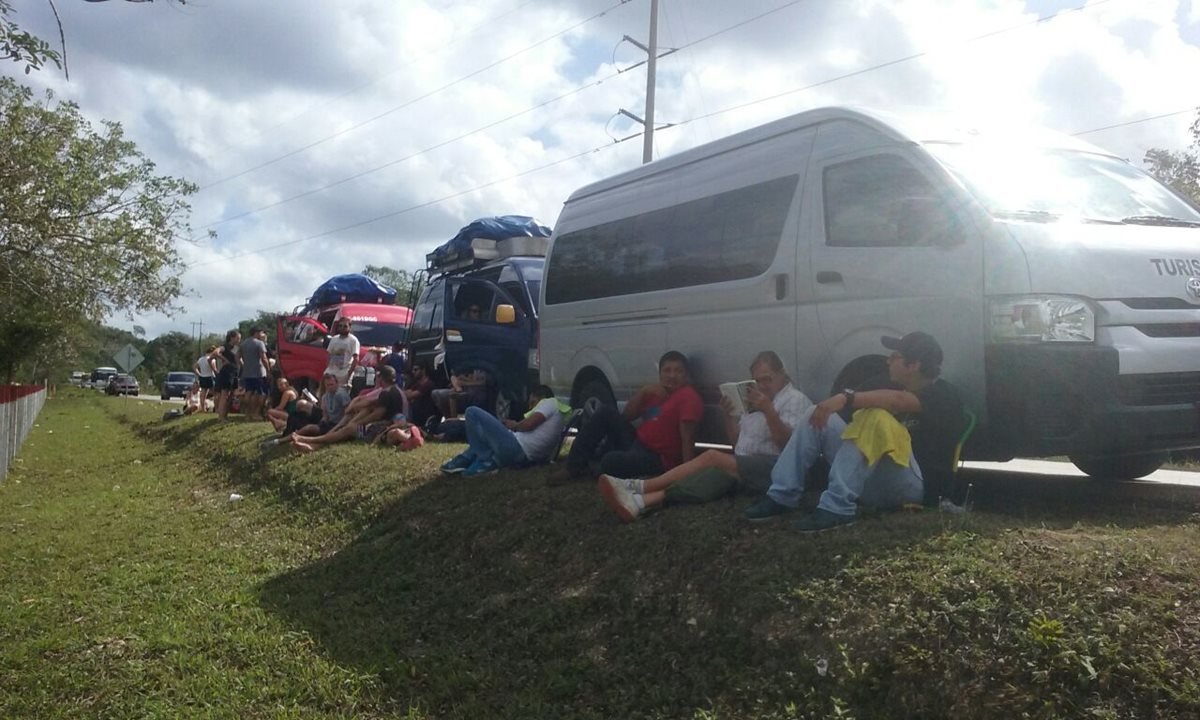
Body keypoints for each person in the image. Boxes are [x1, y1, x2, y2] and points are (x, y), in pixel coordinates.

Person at [743, 332, 965, 532]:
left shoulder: (944, 395)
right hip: (872, 481)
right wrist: (830, 405)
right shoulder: (887, 384)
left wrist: (845, 398)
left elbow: (897, 401)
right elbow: (849, 408)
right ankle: (782, 495)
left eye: (894, 356)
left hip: (915, 487)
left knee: (876, 417)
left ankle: (837, 508)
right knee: (818, 414)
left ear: (914, 365)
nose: (887, 360)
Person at [598, 351, 811, 522]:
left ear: (783, 375)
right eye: (757, 381)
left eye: (767, 379)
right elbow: (737, 444)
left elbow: (787, 446)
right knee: (706, 478)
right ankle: (640, 502)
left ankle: (638, 486)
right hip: (747, 466)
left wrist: (769, 411)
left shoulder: (794, 400)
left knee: (712, 457)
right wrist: (728, 416)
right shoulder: (758, 402)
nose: (763, 386)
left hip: (778, 467)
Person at [554, 350, 703, 483]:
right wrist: (644, 392)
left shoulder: (687, 397)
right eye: (667, 370)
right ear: (660, 374)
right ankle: (572, 468)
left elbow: (688, 439)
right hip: (637, 442)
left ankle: (599, 467)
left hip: (658, 457)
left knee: (609, 460)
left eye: (678, 371)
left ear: (686, 375)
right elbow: (626, 416)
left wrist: (687, 475)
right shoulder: (657, 393)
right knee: (606, 412)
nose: (672, 376)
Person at [440, 385, 565, 477]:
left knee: (472, 412)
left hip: (517, 448)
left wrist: (514, 425)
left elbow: (528, 425)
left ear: (542, 397)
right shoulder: (557, 416)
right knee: (485, 436)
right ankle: (465, 459)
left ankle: (483, 461)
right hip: (523, 454)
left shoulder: (550, 402)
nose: (531, 407)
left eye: (533, 402)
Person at [290, 365, 405, 452]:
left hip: (380, 429)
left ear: (380, 378)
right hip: (384, 425)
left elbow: (378, 414)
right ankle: (314, 445)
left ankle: (310, 440)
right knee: (346, 430)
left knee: (348, 430)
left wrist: (358, 423)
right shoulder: (395, 390)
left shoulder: (386, 393)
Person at [238, 326, 271, 421]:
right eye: (261, 332)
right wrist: (268, 370)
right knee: (262, 393)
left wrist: (243, 364)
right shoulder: (259, 343)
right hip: (259, 372)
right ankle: (256, 413)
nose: (262, 334)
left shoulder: (243, 344)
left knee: (249, 392)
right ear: (256, 333)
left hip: (247, 372)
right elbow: (263, 358)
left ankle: (248, 414)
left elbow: (237, 356)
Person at [325, 317, 360, 388]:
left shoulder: (353, 340)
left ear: (350, 327)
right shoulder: (334, 339)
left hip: (343, 374)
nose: (342, 328)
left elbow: (356, 359)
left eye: (345, 326)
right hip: (331, 373)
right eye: (340, 326)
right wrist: (328, 369)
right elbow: (329, 355)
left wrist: (348, 374)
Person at [214, 330, 241, 420]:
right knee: (225, 394)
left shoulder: (236, 348)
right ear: (232, 338)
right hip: (227, 372)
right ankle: (221, 416)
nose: (239, 340)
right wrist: (224, 359)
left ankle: (225, 414)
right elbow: (215, 352)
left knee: (231, 395)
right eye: (238, 338)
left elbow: (238, 359)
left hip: (235, 372)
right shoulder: (225, 347)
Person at [404, 362, 437, 428]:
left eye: (416, 370)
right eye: (413, 370)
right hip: (415, 415)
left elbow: (411, 395)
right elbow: (405, 393)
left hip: (426, 415)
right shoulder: (415, 384)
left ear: (423, 370)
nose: (413, 372)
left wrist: (410, 394)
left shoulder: (428, 384)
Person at [193, 346, 217, 412]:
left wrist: (199, 374)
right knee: (216, 393)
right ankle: (216, 408)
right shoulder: (212, 359)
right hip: (210, 376)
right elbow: (214, 369)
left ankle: (203, 409)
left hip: (203, 377)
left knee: (203, 394)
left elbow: (194, 367)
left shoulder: (201, 359)